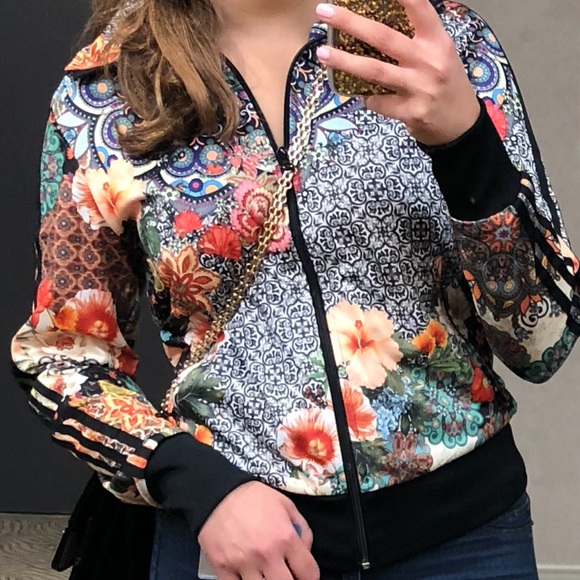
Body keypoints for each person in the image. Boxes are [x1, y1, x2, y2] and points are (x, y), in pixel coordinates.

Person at [11, 0, 580, 578]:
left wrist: (465, 143)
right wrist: (193, 480)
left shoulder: (441, 39)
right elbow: (60, 354)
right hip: (237, 544)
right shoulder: (109, 83)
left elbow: (543, 343)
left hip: (465, 539)